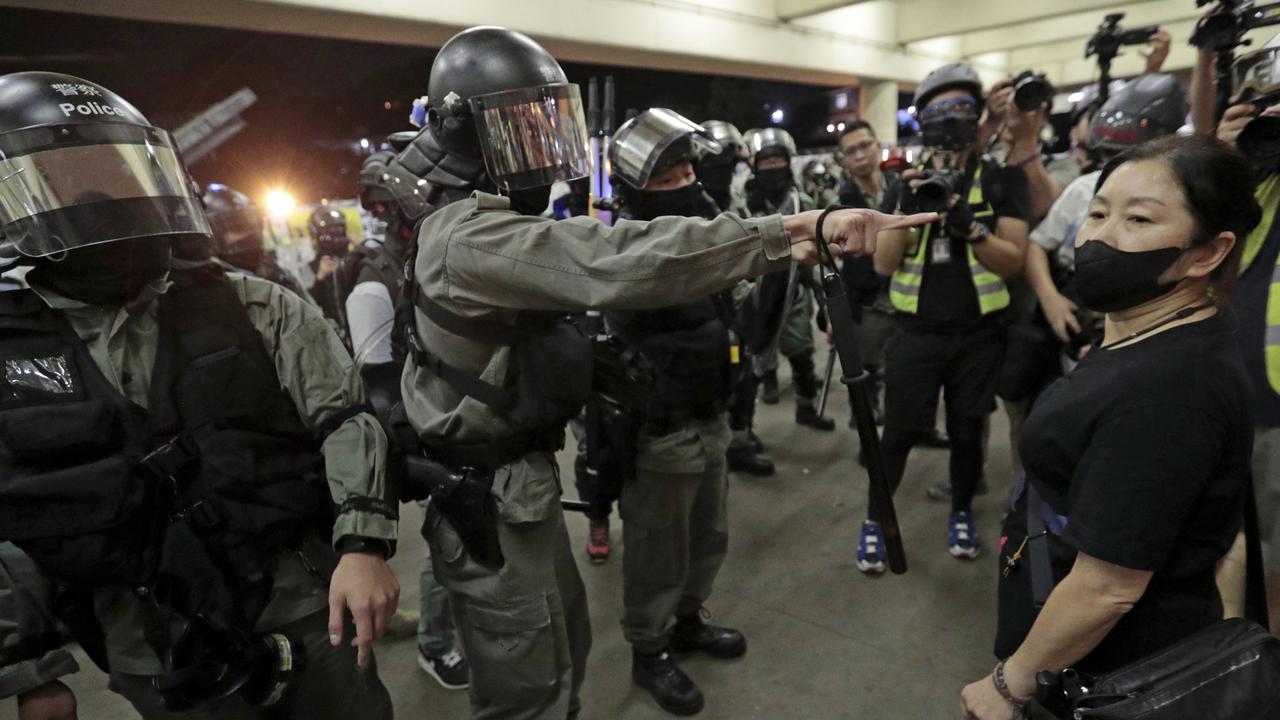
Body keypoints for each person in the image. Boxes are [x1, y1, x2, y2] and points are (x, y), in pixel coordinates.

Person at [397, 26, 934, 720]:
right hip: (491, 493)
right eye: (515, 133)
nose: (536, 157)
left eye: (540, 131)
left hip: (518, 484)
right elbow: (617, 259)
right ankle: (651, 642)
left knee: (558, 659)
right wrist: (793, 230)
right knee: (526, 684)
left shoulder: (474, 223)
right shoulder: (468, 236)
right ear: (463, 135)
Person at [0, 71, 397, 720]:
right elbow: (13, 517)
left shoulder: (254, 304)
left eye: (118, 171)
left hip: (298, 599)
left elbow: (346, 419)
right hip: (149, 639)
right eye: (66, 180)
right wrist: (30, 669)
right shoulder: (12, 348)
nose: (102, 200)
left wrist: (362, 545)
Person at [961, 134, 1260, 720]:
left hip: (1107, 670)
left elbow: (1109, 587)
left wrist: (1008, 685)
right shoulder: (1149, 330)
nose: (1099, 235)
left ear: (1206, 253)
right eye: (1098, 212)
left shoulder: (1169, 390)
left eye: (1138, 219)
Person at [605, 108, 748, 716]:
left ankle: (687, 621)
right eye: (667, 177)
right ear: (638, 190)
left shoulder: (708, 224)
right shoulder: (625, 244)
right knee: (658, 546)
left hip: (710, 413)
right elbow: (663, 276)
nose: (685, 181)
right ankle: (650, 647)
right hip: (660, 426)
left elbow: (739, 289)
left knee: (707, 536)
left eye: (688, 169)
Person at [867, 62, 1030, 574]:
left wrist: (969, 227)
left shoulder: (1002, 179)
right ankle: (876, 520)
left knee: (967, 431)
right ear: (924, 121)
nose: (952, 118)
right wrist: (907, 209)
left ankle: (961, 510)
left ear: (977, 116)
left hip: (978, 337)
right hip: (915, 335)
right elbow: (883, 263)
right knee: (896, 434)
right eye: (940, 110)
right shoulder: (903, 183)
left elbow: (1014, 260)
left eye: (962, 107)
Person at [344, 149, 471, 690]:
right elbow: (379, 384)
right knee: (448, 535)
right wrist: (417, 452)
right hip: (425, 429)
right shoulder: (376, 279)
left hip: (453, 412)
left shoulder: (429, 260)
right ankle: (435, 644)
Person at [1209, 37, 1280, 633]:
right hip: (1235, 396)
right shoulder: (1256, 181)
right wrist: (1227, 165)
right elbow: (1215, 270)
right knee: (1233, 548)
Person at [696, 120, 774, 476]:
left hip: (736, 306)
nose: (722, 171)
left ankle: (739, 441)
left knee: (744, 379)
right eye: (714, 163)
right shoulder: (691, 203)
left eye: (728, 163)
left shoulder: (735, 200)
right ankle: (721, 444)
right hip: (704, 311)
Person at [744, 129, 834, 430]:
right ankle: (744, 430)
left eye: (777, 162)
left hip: (794, 293)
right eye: (765, 163)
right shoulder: (742, 204)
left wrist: (825, 299)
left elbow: (816, 251)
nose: (772, 169)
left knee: (802, 356)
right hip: (752, 295)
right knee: (752, 364)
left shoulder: (802, 202)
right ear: (754, 165)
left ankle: (806, 408)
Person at [834, 121, 901, 427]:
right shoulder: (838, 202)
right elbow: (829, 258)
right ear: (844, 160)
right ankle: (867, 431)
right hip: (866, 301)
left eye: (865, 146)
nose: (860, 155)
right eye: (851, 151)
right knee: (866, 372)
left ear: (878, 147)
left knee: (903, 372)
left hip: (907, 295)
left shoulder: (902, 188)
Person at [199, 182, 313, 301]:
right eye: (238, 228)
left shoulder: (280, 275)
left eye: (252, 226)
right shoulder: (213, 289)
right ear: (213, 234)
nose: (250, 234)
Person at [306, 206, 353, 335]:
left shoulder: (353, 260)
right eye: (329, 230)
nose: (335, 235)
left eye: (338, 229)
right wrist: (320, 277)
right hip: (333, 331)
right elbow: (308, 304)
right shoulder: (310, 267)